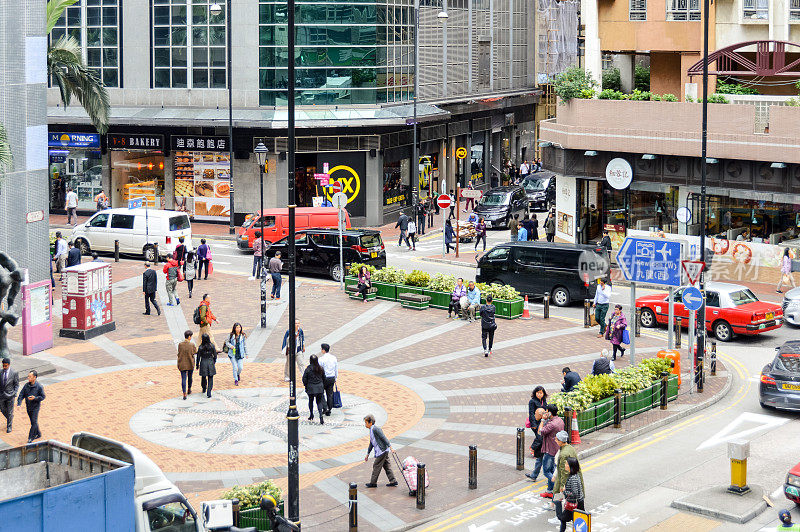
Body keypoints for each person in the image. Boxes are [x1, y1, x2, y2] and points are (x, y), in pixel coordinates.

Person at [550, 455, 585, 532]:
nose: (565, 465)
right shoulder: (574, 475)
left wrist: (565, 491)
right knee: (566, 520)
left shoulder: (573, 478)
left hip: (574, 504)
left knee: (565, 519)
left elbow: (574, 493)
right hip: (575, 503)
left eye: (566, 464)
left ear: (570, 466)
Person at [363, 414, 398, 488]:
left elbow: (384, 438)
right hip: (383, 451)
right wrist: (367, 454)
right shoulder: (371, 430)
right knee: (387, 466)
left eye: (366, 422)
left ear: (370, 423)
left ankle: (373, 483)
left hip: (382, 451)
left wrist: (391, 447)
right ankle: (393, 481)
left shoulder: (376, 429)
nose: (365, 424)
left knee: (376, 465)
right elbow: (371, 443)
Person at [539, 404, 564, 498]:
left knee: (546, 471)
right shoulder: (560, 420)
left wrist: (542, 420)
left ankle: (558, 484)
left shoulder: (551, 424)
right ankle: (550, 491)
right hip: (557, 449)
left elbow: (540, 431)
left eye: (546, 411)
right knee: (552, 470)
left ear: (549, 412)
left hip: (550, 450)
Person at [16, 370, 45, 443]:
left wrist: (35, 398)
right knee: (33, 422)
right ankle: (38, 433)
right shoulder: (26, 386)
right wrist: (19, 403)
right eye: (28, 376)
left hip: (35, 407)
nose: (28, 377)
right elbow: (21, 394)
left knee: (34, 422)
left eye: (30, 376)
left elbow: (43, 397)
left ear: (34, 377)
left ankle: (30, 437)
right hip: (28, 407)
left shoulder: (39, 387)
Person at [302, 354, 326, 424]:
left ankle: (311, 414)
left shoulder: (308, 369)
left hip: (311, 388)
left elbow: (304, 379)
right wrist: (322, 385)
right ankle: (321, 416)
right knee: (319, 402)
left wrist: (306, 385)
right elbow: (324, 378)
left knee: (311, 401)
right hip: (319, 387)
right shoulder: (320, 368)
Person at [525, 407, 546, 482]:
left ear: (540, 415)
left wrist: (533, 447)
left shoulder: (542, 423)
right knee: (539, 461)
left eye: (535, 414)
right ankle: (534, 475)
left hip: (546, 447)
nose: (534, 415)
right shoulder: (540, 421)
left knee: (549, 464)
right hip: (542, 446)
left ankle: (552, 480)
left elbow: (539, 437)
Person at [196, 333, 217, 398]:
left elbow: (198, 357)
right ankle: (209, 391)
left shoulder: (201, 347)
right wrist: (214, 361)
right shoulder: (212, 346)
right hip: (210, 361)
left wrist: (197, 364)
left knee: (203, 376)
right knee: (210, 377)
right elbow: (215, 355)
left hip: (203, 362)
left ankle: (204, 388)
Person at [319, 343, 338, 416]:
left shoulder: (321, 359)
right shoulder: (334, 358)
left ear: (323, 350)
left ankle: (325, 407)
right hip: (332, 377)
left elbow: (320, 370)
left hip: (324, 378)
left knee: (321, 393)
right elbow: (336, 369)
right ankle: (329, 408)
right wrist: (335, 377)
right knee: (329, 394)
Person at [177, 330, 197, 400]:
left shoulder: (180, 344)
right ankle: (189, 388)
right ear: (189, 337)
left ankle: (184, 393)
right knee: (190, 377)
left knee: (183, 378)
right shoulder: (192, 345)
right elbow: (195, 352)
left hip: (182, 363)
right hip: (190, 363)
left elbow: (179, 352)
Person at [1, 358, 19, 433]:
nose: (4, 367)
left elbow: (16, 384)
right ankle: (10, 418)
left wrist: (14, 393)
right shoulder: (0, 372)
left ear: (9, 365)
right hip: (1, 395)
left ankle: (9, 426)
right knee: (2, 409)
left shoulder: (14, 372)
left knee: (9, 411)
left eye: (5, 366)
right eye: (3, 366)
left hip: (10, 395)